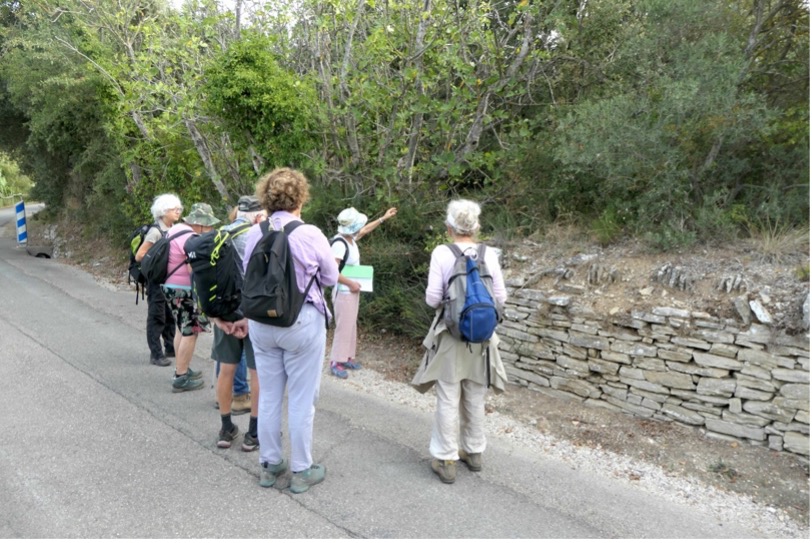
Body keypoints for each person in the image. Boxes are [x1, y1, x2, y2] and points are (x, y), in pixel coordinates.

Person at [242, 167, 339, 493]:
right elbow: (330, 278)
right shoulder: (310, 233)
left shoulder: (254, 233)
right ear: (300, 198)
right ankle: (301, 470)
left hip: (261, 323)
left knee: (269, 394)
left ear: (266, 199)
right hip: (301, 321)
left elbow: (247, 274)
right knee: (301, 399)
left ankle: (270, 464)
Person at [411, 199, 509, 484]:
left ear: (449, 227)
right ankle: (474, 452)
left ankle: (446, 459)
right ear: (476, 227)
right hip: (482, 338)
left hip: (451, 335)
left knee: (448, 396)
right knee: (476, 394)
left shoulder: (442, 253)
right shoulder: (488, 253)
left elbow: (432, 298)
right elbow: (501, 297)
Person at [209, 196, 267, 450]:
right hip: (253, 314)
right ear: (258, 216)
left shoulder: (218, 234)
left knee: (226, 370)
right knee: (257, 373)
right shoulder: (259, 235)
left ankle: (226, 428)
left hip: (225, 315)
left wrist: (215, 317)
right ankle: (253, 432)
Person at [328, 205, 397, 379]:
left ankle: (347, 357)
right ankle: (336, 361)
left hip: (352, 289)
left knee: (351, 325)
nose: (360, 227)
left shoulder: (350, 238)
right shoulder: (339, 244)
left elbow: (365, 230)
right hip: (344, 291)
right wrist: (350, 283)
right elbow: (332, 271)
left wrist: (383, 218)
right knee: (344, 326)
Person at [162, 202, 220, 393]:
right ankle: (181, 377)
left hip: (170, 286)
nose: (209, 229)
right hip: (184, 289)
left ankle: (181, 368)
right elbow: (191, 268)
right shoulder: (190, 238)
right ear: (200, 224)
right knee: (191, 331)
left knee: (181, 328)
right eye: (208, 226)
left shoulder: (175, 229)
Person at [135, 194, 182, 366]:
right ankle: (156, 354)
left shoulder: (174, 228)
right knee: (157, 317)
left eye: (179, 208)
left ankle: (170, 347)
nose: (178, 211)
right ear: (163, 211)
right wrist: (157, 261)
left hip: (170, 279)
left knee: (170, 315)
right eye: (174, 209)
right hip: (156, 281)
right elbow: (140, 255)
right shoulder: (155, 232)